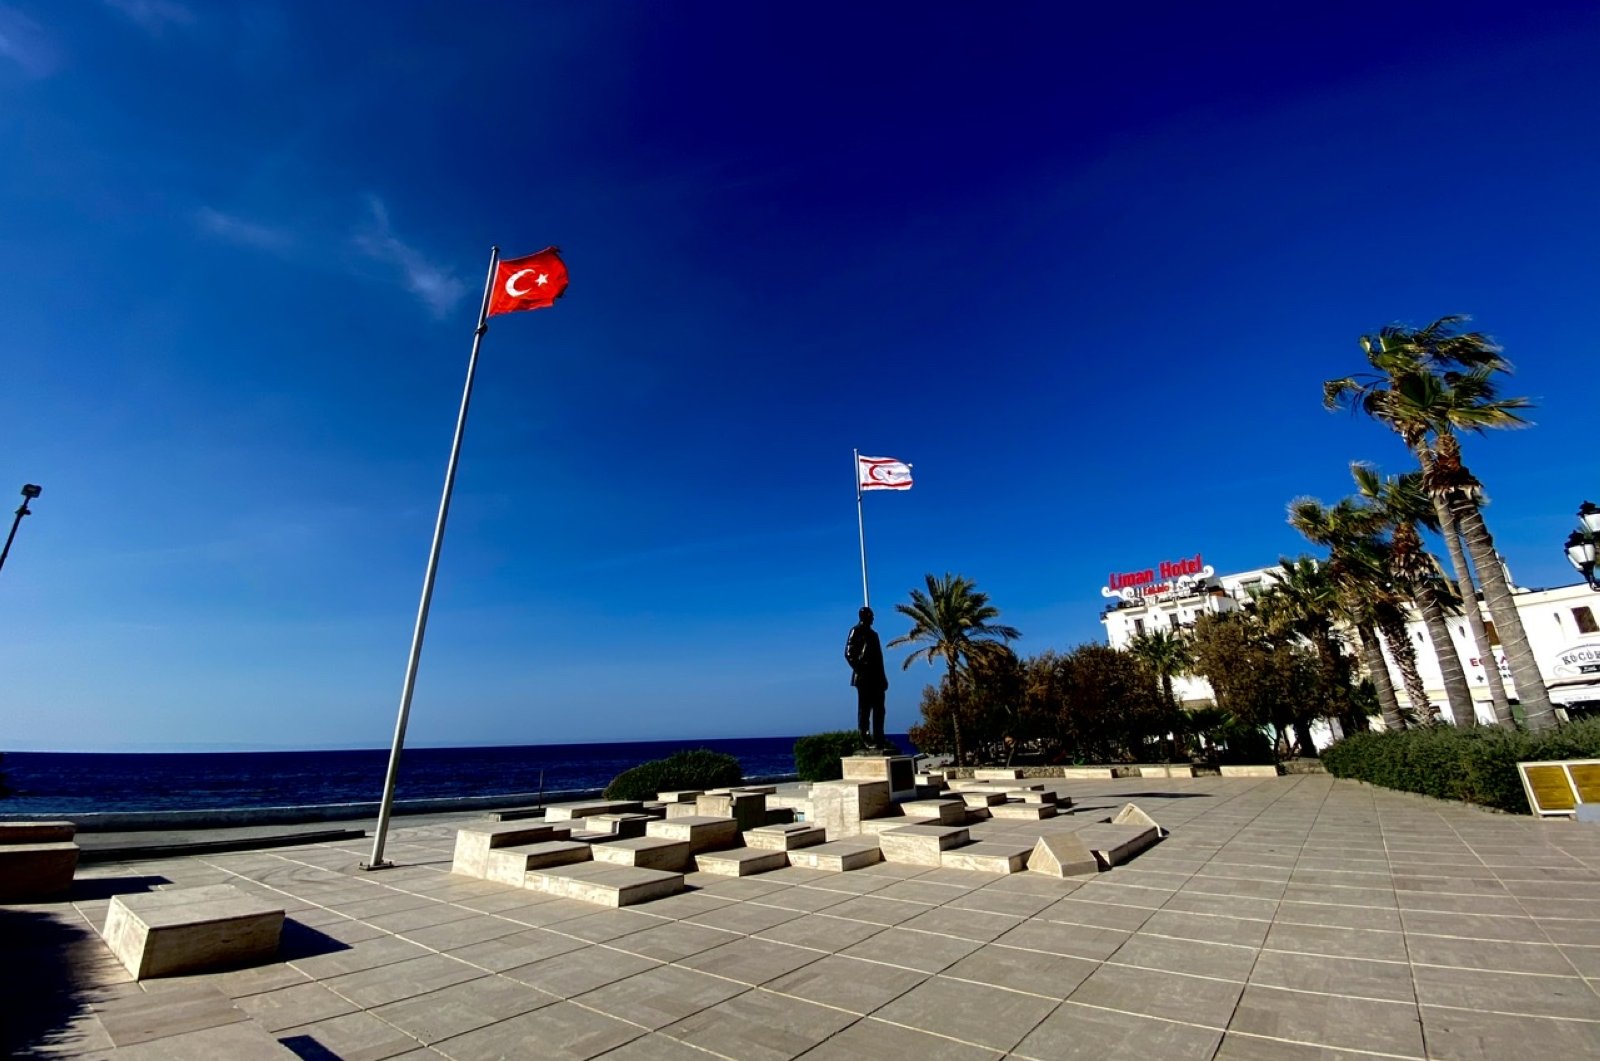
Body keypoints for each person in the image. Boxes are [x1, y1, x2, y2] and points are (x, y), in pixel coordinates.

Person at [845, 606, 888, 750]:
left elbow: (879, 659)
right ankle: (865, 738)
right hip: (864, 678)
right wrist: (861, 670)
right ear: (865, 616)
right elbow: (849, 654)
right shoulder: (855, 631)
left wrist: (883, 678)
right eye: (871, 616)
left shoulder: (874, 634)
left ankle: (879, 738)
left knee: (879, 709)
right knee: (864, 709)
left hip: (877, 678)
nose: (873, 618)